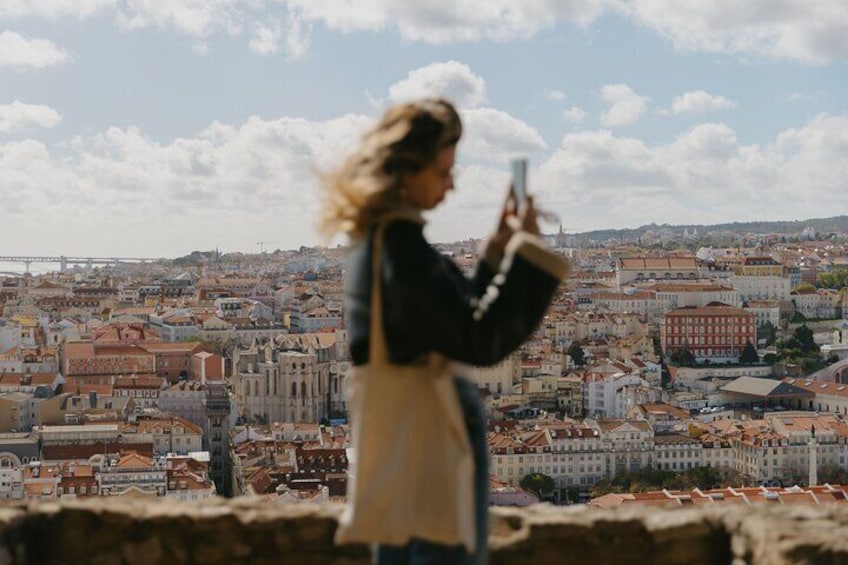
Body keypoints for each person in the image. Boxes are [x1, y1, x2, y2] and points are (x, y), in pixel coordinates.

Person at [322, 98, 570, 564]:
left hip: (400, 433)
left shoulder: (376, 243)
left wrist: (495, 254)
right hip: (429, 439)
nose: (452, 185)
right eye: (443, 171)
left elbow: (449, 321)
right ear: (407, 169)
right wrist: (530, 255)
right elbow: (480, 340)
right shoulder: (401, 249)